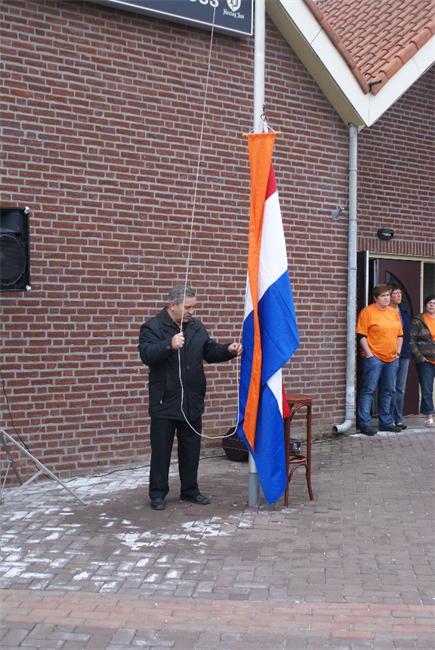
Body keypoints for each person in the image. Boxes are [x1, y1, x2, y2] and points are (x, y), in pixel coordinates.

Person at [138, 285, 242, 510]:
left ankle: (190, 490)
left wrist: (228, 350)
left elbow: (209, 351)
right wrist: (169, 344)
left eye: (194, 307)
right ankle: (157, 494)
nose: (192, 312)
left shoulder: (196, 327)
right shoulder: (152, 327)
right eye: (188, 307)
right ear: (172, 305)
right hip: (164, 401)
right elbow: (146, 354)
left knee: (191, 450)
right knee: (161, 451)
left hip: (192, 400)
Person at [356, 283, 403, 435]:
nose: (387, 298)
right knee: (368, 390)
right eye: (383, 296)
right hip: (374, 358)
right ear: (375, 298)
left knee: (388, 391)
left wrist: (397, 354)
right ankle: (364, 423)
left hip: (392, 358)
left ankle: (386, 422)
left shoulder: (393, 312)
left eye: (388, 295)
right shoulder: (367, 312)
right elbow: (361, 335)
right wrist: (370, 355)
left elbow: (400, 335)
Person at [388, 284, 411, 429]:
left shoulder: (404, 311)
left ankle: (398, 418)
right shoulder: (386, 311)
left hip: (404, 353)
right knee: (390, 387)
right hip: (390, 353)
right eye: (396, 293)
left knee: (400, 388)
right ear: (389, 296)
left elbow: (407, 332)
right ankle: (388, 419)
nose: (399, 296)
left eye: (400, 293)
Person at [410, 294, 435, 427]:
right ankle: (429, 417)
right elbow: (411, 341)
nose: (432, 305)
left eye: (434, 303)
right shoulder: (418, 320)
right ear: (426, 305)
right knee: (427, 390)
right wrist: (420, 357)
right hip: (426, 361)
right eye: (430, 303)